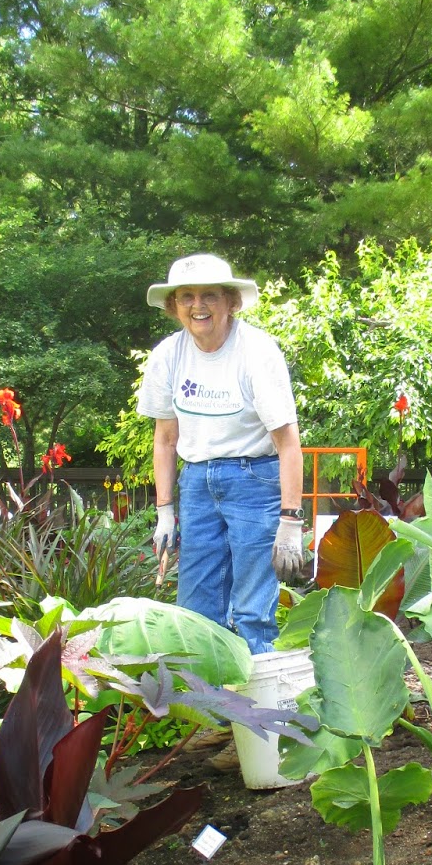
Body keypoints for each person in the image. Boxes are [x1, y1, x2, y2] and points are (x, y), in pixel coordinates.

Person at [136, 252, 305, 654]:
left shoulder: (257, 352)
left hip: (255, 480)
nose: (198, 305)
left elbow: (288, 442)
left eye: (209, 295)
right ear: (174, 305)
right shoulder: (167, 356)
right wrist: (165, 511)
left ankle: (255, 694)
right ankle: (205, 694)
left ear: (231, 302)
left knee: (252, 613)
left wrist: (290, 521)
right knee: (196, 611)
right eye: (187, 296)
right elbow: (165, 440)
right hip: (196, 483)